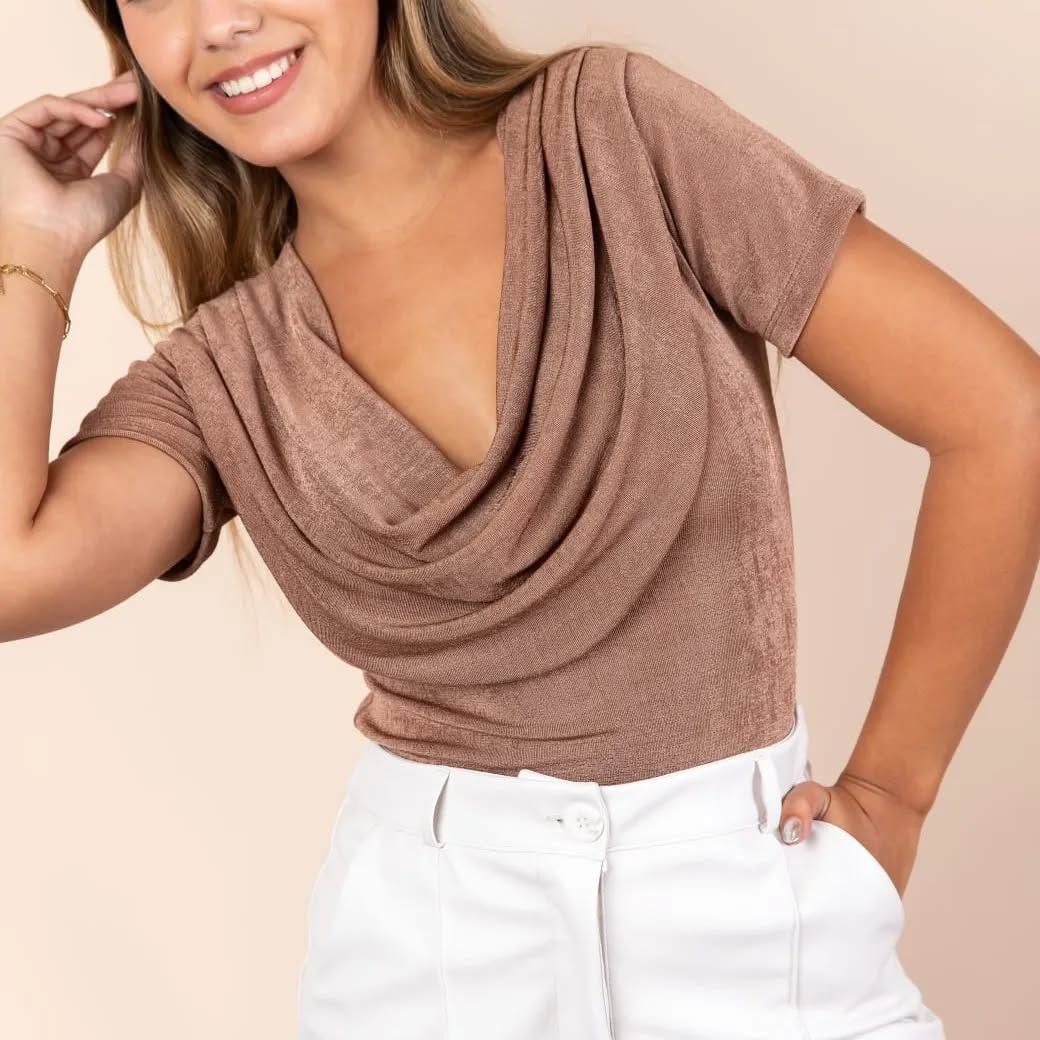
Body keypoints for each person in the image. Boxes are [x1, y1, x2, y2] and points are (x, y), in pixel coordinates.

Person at [2, 2, 1038, 1037]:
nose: (223, 20)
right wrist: (33, 244)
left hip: (753, 920)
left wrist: (891, 794)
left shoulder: (611, 135)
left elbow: (1001, 415)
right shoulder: (225, 374)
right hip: (429, 961)